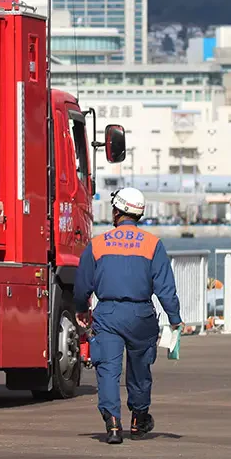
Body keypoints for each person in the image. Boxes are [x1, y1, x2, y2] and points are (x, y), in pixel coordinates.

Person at [74, 187, 182, 445]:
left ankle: (112, 424)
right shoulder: (153, 245)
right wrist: (175, 319)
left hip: (108, 314)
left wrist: (81, 308)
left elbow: (82, 285)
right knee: (140, 369)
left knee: (108, 370)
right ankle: (138, 418)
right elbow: (166, 288)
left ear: (116, 211)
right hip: (141, 314)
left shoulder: (98, 244)